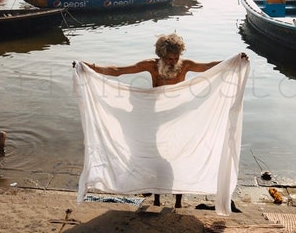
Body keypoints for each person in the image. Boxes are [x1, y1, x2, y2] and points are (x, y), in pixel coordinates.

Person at [83, 33, 248, 208]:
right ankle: (156, 200)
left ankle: (178, 203)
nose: (173, 61)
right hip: (156, 120)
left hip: (179, 119)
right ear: (161, 56)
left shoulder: (185, 65)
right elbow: (119, 71)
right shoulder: (152, 66)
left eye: (176, 57)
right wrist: (90, 67)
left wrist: (235, 60)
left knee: (178, 158)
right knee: (155, 158)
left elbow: (209, 66)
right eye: (170, 58)